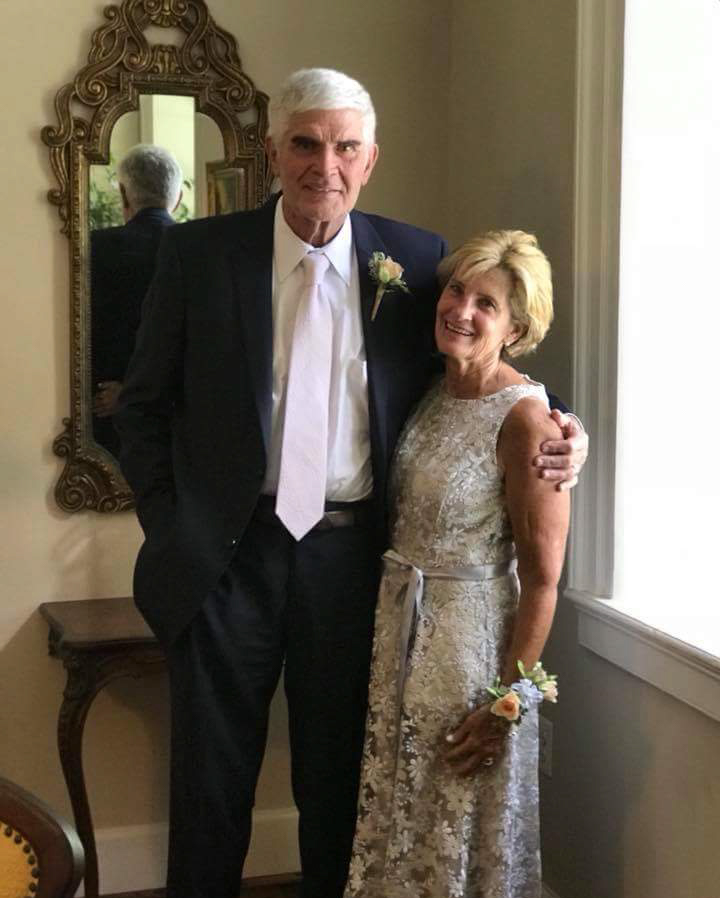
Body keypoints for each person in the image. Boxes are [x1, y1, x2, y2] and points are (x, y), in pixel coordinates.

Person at [114, 69, 586, 898]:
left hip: (352, 568)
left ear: (370, 160)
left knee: (339, 789)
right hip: (228, 559)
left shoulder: (413, 257)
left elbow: (486, 364)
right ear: (272, 152)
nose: (322, 165)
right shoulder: (198, 254)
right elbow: (142, 407)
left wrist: (569, 430)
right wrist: (172, 521)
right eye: (304, 142)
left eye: (344, 147)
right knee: (210, 788)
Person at [344, 230, 570, 898]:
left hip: (469, 651)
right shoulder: (430, 389)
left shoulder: (529, 420)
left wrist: (508, 701)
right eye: (456, 291)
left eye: (486, 304)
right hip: (400, 637)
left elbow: (544, 576)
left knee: (457, 812)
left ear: (517, 328)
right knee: (402, 811)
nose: (461, 310)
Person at [90, 143, 182, 455]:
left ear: (124, 195)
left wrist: (128, 393)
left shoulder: (92, 249)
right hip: (179, 424)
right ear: (178, 197)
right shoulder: (203, 253)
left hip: (99, 423)